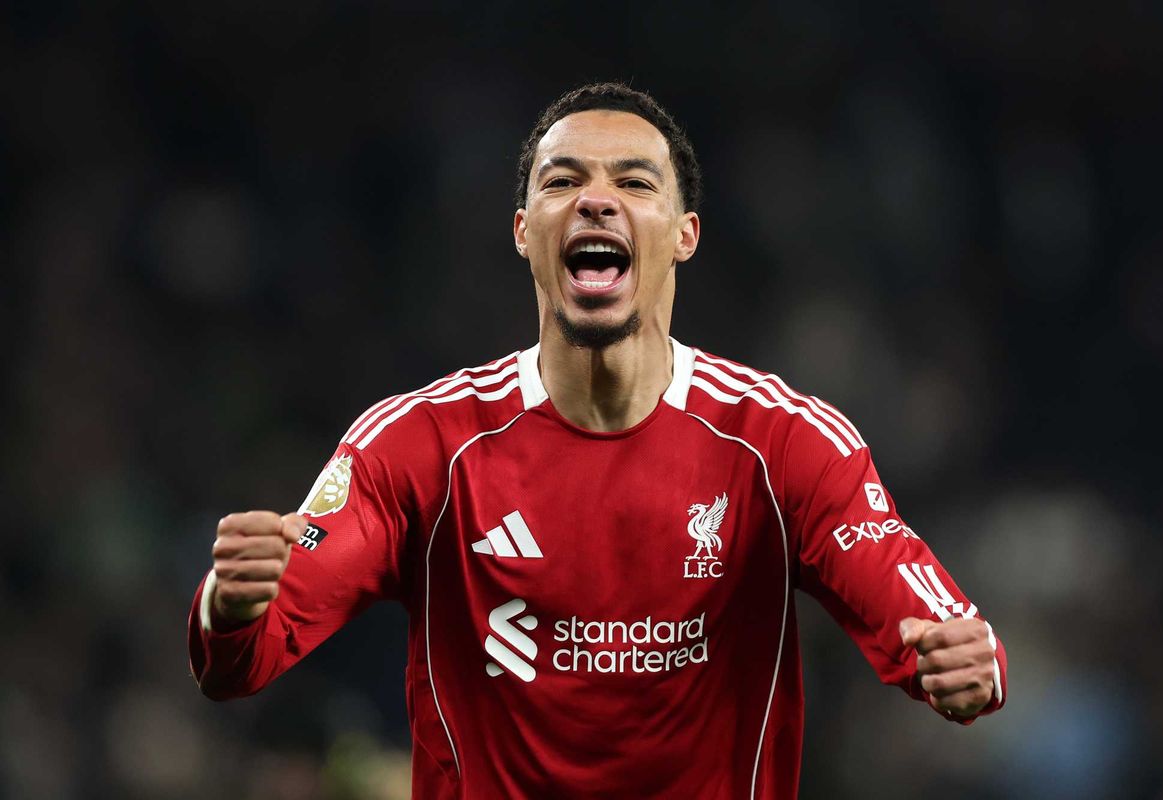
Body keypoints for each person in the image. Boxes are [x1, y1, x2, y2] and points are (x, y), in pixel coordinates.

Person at [188, 82, 1007, 798]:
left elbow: (937, 625)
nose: (596, 198)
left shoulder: (782, 443)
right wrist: (231, 603)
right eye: (564, 179)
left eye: (634, 181)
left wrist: (973, 667)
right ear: (522, 230)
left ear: (684, 233)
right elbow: (241, 660)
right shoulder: (421, 445)